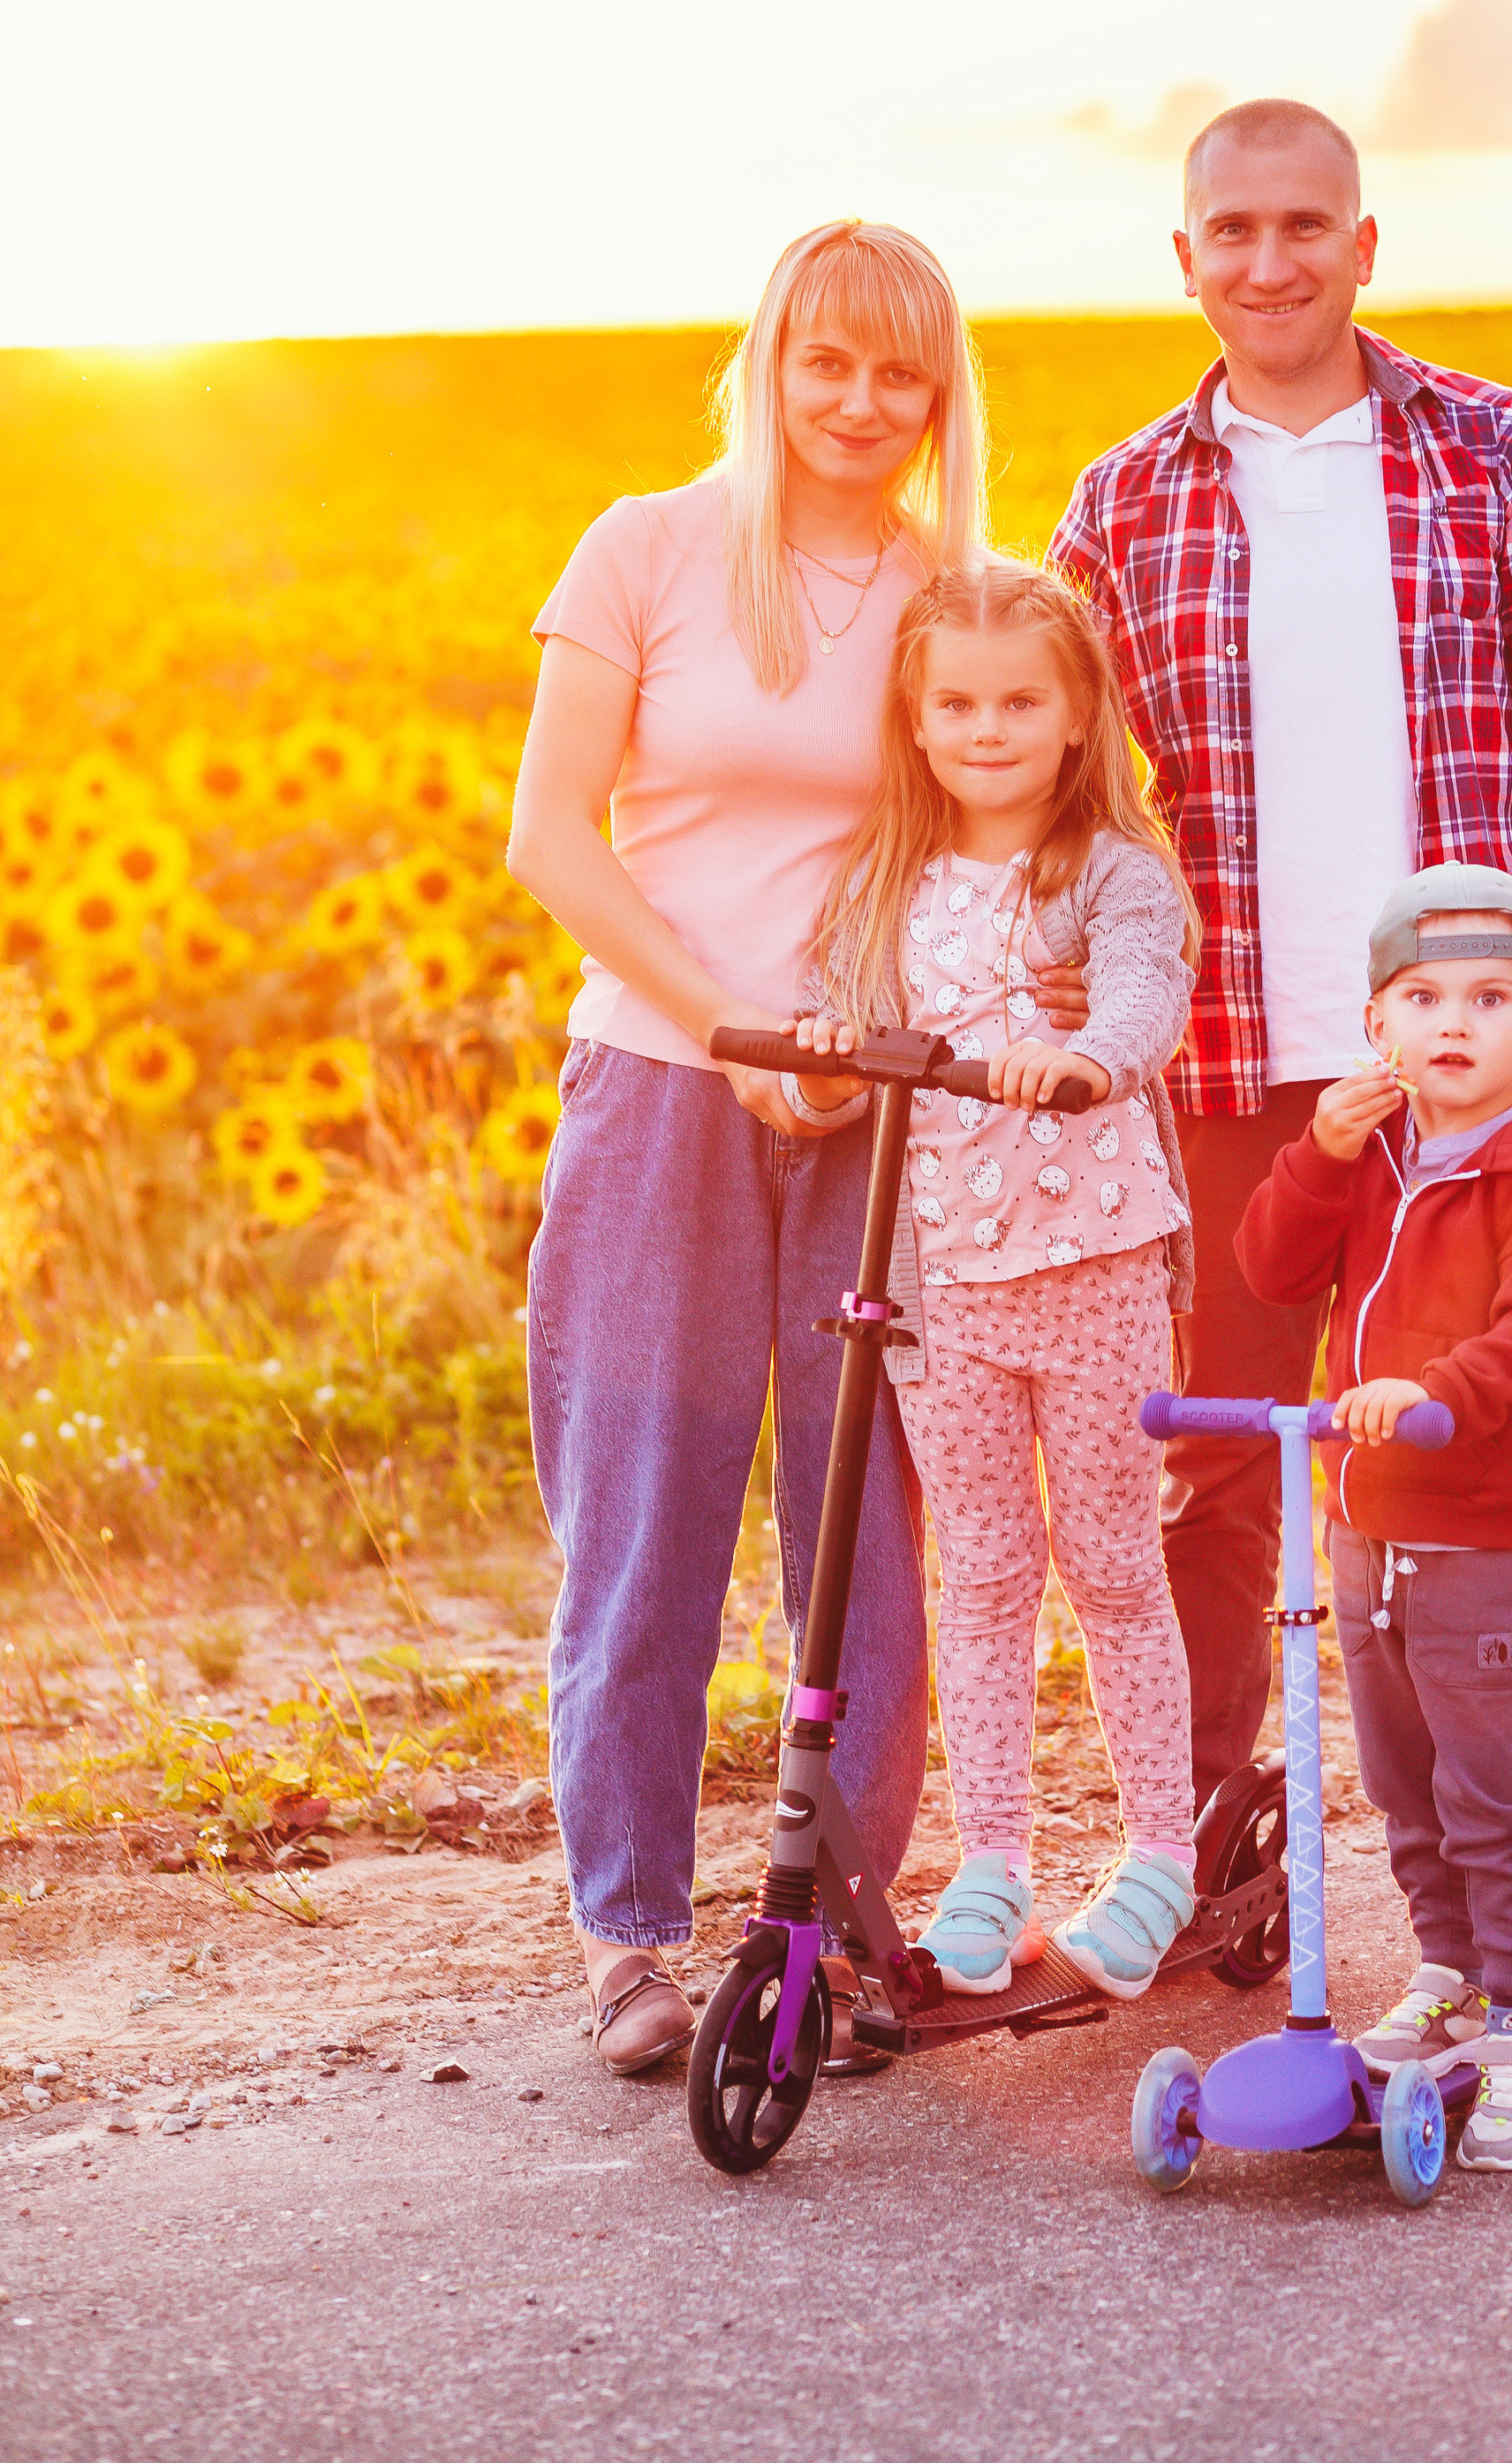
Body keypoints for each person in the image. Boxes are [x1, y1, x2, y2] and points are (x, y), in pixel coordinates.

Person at [1048, 97, 1512, 2004]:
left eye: (1306, 226)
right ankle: (1205, 1853)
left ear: (1365, 244)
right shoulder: (1119, 503)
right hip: (1235, 1069)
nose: (1271, 262)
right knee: (1225, 1479)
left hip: (1476, 1065)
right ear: (1186, 261)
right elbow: (1054, 797)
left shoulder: (1496, 449)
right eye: (1234, 232)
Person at [506, 218, 989, 2080]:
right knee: (644, 1517)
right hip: (662, 1086)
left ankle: (833, 1926)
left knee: (865, 1538)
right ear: (772, 361)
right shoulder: (647, 548)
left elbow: (985, 845)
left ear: (940, 393)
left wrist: (879, 1045)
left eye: (900, 372)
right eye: (828, 362)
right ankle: (628, 1931)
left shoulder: (952, 593)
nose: (861, 403)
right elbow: (554, 836)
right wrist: (729, 1031)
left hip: (875, 1107)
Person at [790, 559, 1202, 2002]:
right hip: (949, 1288)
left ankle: (1161, 1849)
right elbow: (839, 1018)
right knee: (980, 1576)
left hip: (1096, 1272)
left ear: (1079, 714)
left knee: (1113, 1566)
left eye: (1021, 702)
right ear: (914, 720)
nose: (987, 729)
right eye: (957, 704)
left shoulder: (1110, 874)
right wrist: (824, 1059)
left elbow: (1148, 989)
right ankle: (994, 1858)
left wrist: (1086, 1058)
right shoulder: (884, 883)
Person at [1236, 865, 1512, 2172]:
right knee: (1407, 1790)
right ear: (1377, 1025)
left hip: (1493, 1547)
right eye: (1421, 999)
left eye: (1490, 998)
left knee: (1493, 1797)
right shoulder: (1366, 1161)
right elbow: (1271, 1269)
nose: (1452, 1022)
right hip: (1370, 1540)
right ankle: (1448, 1971)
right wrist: (1317, 1154)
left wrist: (1440, 1393)